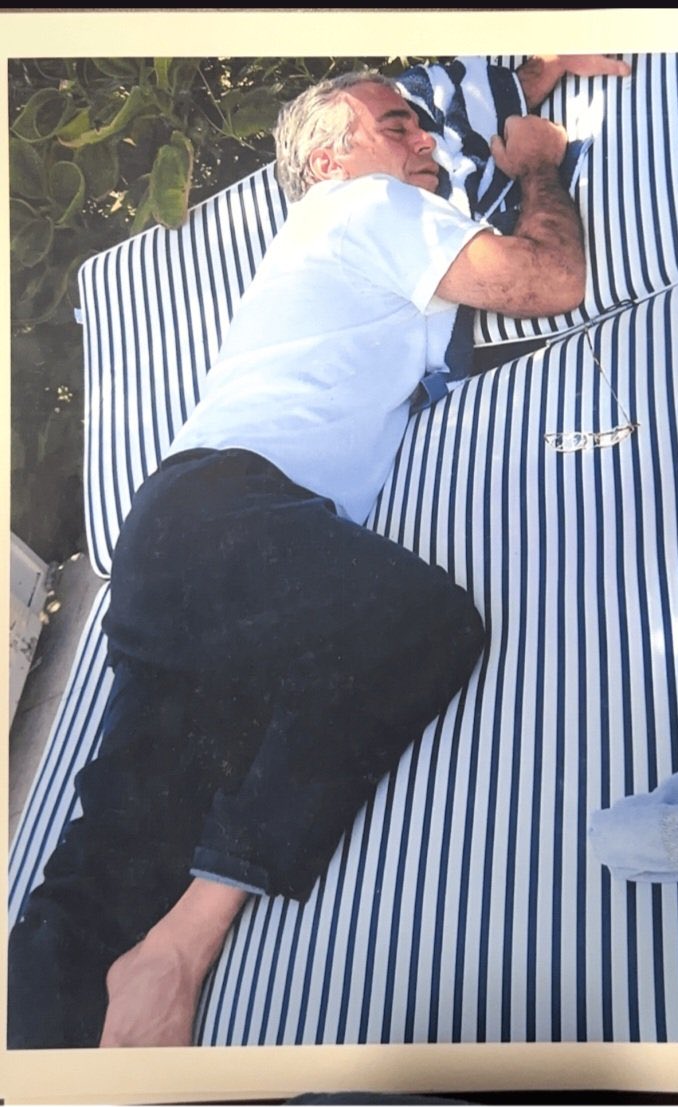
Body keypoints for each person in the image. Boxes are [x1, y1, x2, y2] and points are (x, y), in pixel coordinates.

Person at [8, 53, 630, 1050]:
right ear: (329, 158)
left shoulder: (350, 224)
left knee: (116, 847)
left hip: (184, 538)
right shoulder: (366, 207)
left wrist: (534, 74)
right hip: (231, 513)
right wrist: (541, 169)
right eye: (397, 127)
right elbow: (548, 280)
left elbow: (456, 117)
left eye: (421, 126)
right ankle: (183, 946)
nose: (425, 140)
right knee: (419, 626)